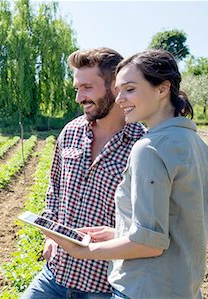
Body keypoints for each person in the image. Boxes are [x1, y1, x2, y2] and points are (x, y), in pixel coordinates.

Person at [46, 49, 208, 299]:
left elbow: (149, 243)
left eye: (129, 89)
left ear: (162, 89)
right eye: (120, 89)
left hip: (142, 287)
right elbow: (171, 225)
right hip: (178, 287)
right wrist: (119, 232)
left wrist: (85, 250)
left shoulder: (147, 147)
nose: (120, 98)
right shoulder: (196, 143)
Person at [21, 48, 146, 299]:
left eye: (87, 87)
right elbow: (55, 188)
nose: (79, 97)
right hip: (56, 274)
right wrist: (51, 236)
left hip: (105, 285)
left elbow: (150, 222)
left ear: (115, 86)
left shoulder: (142, 145)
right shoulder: (71, 131)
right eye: (77, 89)